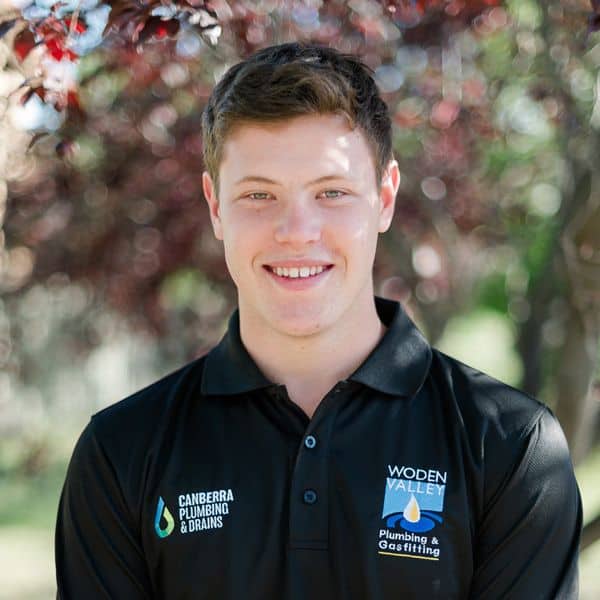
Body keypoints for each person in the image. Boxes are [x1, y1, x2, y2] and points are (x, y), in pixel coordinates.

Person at [55, 42, 582, 599]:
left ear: (384, 198)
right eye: (259, 194)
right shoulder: (121, 453)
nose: (297, 231)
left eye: (332, 191)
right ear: (215, 206)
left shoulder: (510, 445)